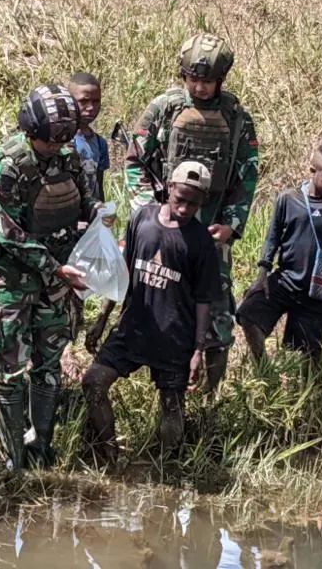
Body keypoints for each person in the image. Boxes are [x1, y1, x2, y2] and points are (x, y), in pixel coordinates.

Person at [0, 84, 105, 471]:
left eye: (63, 140)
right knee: (10, 366)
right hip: (11, 279)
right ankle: (12, 455)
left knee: (49, 364)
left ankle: (41, 447)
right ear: (31, 131)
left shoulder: (70, 157)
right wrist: (53, 267)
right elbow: (6, 232)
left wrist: (99, 214)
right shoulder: (6, 164)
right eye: (49, 142)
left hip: (55, 280)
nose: (56, 148)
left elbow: (86, 197)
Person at [124, 33, 258, 392]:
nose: (199, 86)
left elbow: (247, 174)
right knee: (154, 303)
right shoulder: (164, 108)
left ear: (222, 79)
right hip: (163, 230)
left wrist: (231, 224)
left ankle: (209, 394)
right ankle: (159, 384)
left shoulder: (235, 117)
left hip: (211, 231)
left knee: (216, 313)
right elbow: (134, 161)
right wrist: (149, 211)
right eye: (192, 78)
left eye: (207, 80)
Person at [82, 161, 221, 462]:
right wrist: (102, 320)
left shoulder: (201, 243)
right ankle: (110, 455)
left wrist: (198, 349)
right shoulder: (141, 220)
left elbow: (203, 300)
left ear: (203, 202)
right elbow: (123, 273)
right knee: (93, 382)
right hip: (132, 327)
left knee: (172, 405)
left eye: (193, 204)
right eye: (180, 199)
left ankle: (166, 468)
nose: (184, 208)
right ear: (169, 188)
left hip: (174, 336)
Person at [237, 142, 322, 366]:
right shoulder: (288, 199)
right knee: (248, 314)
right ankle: (263, 368)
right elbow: (273, 238)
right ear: (312, 171)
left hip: (317, 293)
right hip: (285, 281)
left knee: (311, 356)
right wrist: (262, 274)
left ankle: (311, 393)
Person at [68, 73, 110, 203]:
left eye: (96, 101)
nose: (91, 107)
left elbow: (98, 186)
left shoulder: (100, 143)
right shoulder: (58, 142)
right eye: (84, 101)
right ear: (70, 101)